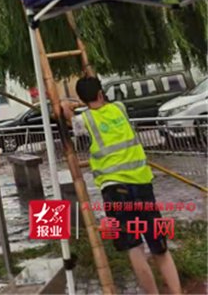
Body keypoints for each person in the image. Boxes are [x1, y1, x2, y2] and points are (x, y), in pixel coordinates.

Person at [62, 77, 181, 295]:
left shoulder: (85, 120)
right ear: (100, 93)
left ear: (82, 99)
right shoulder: (120, 108)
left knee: (135, 249)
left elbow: (68, 116)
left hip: (116, 191)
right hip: (143, 185)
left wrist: (65, 105)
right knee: (160, 247)